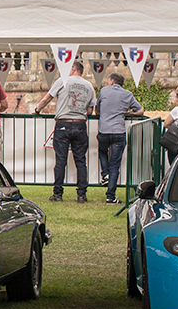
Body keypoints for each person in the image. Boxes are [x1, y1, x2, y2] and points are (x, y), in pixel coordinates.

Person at [35, 60, 96, 202]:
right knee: (80, 161)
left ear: (73, 69)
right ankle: (81, 194)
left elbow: (47, 98)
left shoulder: (62, 80)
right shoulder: (89, 86)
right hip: (80, 124)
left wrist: (38, 109)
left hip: (63, 124)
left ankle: (58, 194)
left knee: (61, 160)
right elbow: (90, 110)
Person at [95, 72, 143, 204]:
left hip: (104, 130)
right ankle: (110, 196)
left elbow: (97, 110)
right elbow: (140, 111)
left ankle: (105, 173)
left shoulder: (104, 91)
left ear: (111, 81)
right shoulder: (127, 94)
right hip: (118, 131)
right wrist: (127, 113)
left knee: (102, 151)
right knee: (115, 165)